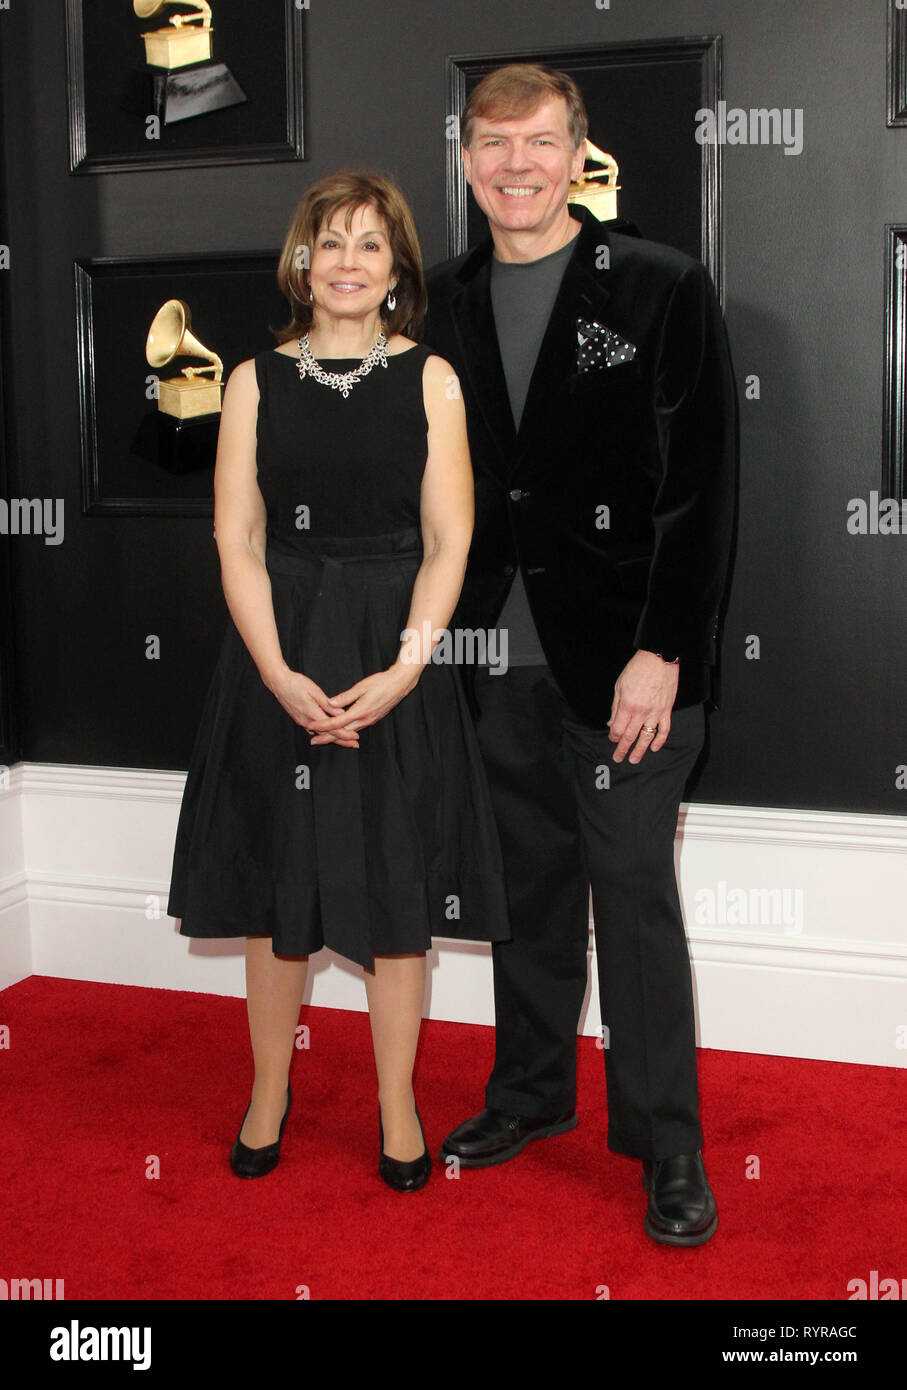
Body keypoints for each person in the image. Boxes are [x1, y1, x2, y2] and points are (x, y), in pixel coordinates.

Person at [422, 64, 737, 1245]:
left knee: (634, 903)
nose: (516, 164)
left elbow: (699, 494)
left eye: (539, 142)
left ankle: (667, 1147)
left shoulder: (658, 286)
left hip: (624, 670)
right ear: (466, 159)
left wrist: (664, 652)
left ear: (576, 154)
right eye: (494, 144)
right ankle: (529, 1095)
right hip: (488, 662)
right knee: (524, 900)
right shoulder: (437, 302)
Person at [166, 169, 510, 1191]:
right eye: (331, 242)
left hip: (393, 653)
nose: (349, 262)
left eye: (371, 244)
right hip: (280, 648)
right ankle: (268, 1092)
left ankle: (396, 1102)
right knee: (279, 894)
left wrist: (405, 670)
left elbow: (451, 542)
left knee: (396, 891)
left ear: (398, 267)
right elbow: (237, 538)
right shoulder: (251, 380)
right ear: (301, 262)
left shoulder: (434, 379)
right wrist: (275, 670)